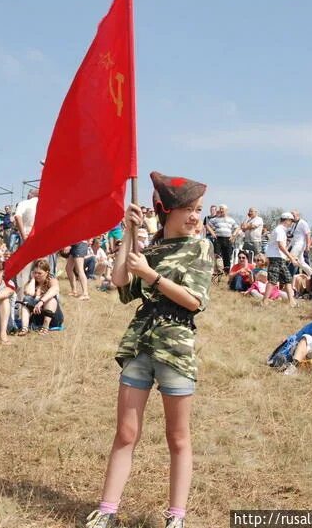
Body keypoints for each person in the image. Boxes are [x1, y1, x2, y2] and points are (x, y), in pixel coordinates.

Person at [85, 172, 211, 528]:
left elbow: (194, 301)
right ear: (166, 211)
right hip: (140, 345)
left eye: (198, 210)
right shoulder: (150, 251)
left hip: (176, 346)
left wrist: (153, 277)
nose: (194, 217)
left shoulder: (201, 247)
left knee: (177, 436)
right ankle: (107, 511)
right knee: (125, 432)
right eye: (187, 209)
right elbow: (120, 282)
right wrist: (128, 233)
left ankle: (176, 517)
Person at [18, 259, 63, 335]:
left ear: (46, 273)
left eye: (40, 273)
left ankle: (45, 328)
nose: (37, 275)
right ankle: (24, 328)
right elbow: (28, 293)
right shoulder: (33, 282)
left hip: (53, 317)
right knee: (26, 299)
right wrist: (32, 279)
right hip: (38, 317)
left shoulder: (52, 280)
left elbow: (55, 289)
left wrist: (41, 302)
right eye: (35, 273)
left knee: (50, 300)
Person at [264, 213, 298, 307]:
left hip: (279, 257)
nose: (291, 223)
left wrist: (287, 256)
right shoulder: (279, 230)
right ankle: (264, 301)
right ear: (286, 220)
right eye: (291, 221)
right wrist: (291, 257)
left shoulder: (281, 230)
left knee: (287, 279)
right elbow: (281, 245)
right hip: (276, 257)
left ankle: (292, 301)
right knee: (273, 280)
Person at [11, 189, 39, 297]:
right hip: (41, 240)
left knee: (24, 271)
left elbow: (17, 216)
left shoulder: (24, 203)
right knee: (41, 269)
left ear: (29, 195)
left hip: (27, 238)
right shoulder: (44, 205)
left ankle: (21, 299)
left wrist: (23, 235)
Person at [205, 204, 239, 274]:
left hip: (228, 239)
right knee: (217, 255)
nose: (221, 210)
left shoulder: (231, 219)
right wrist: (212, 233)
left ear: (226, 210)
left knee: (227, 256)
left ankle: (226, 272)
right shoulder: (215, 219)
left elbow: (237, 227)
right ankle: (218, 270)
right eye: (220, 208)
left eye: (222, 209)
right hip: (218, 239)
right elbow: (207, 225)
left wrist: (233, 235)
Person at [288, 211, 312, 276]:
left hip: (299, 244)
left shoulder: (303, 223)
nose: (292, 217)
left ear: (298, 215)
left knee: (290, 258)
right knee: (301, 262)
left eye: (293, 215)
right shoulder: (293, 224)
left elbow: (308, 234)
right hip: (294, 244)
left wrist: (308, 245)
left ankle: (288, 277)